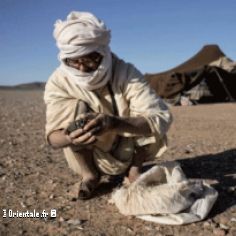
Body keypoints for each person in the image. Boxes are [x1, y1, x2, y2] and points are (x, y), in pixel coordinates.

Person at [44, 11, 172, 200]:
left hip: (127, 149)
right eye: (74, 61)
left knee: (150, 118)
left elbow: (160, 118)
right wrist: (71, 136)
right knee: (75, 110)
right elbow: (53, 138)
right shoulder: (59, 81)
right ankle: (90, 175)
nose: (82, 68)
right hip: (89, 155)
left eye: (89, 59)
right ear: (65, 59)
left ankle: (134, 170)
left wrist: (113, 124)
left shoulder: (125, 72)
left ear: (103, 53)